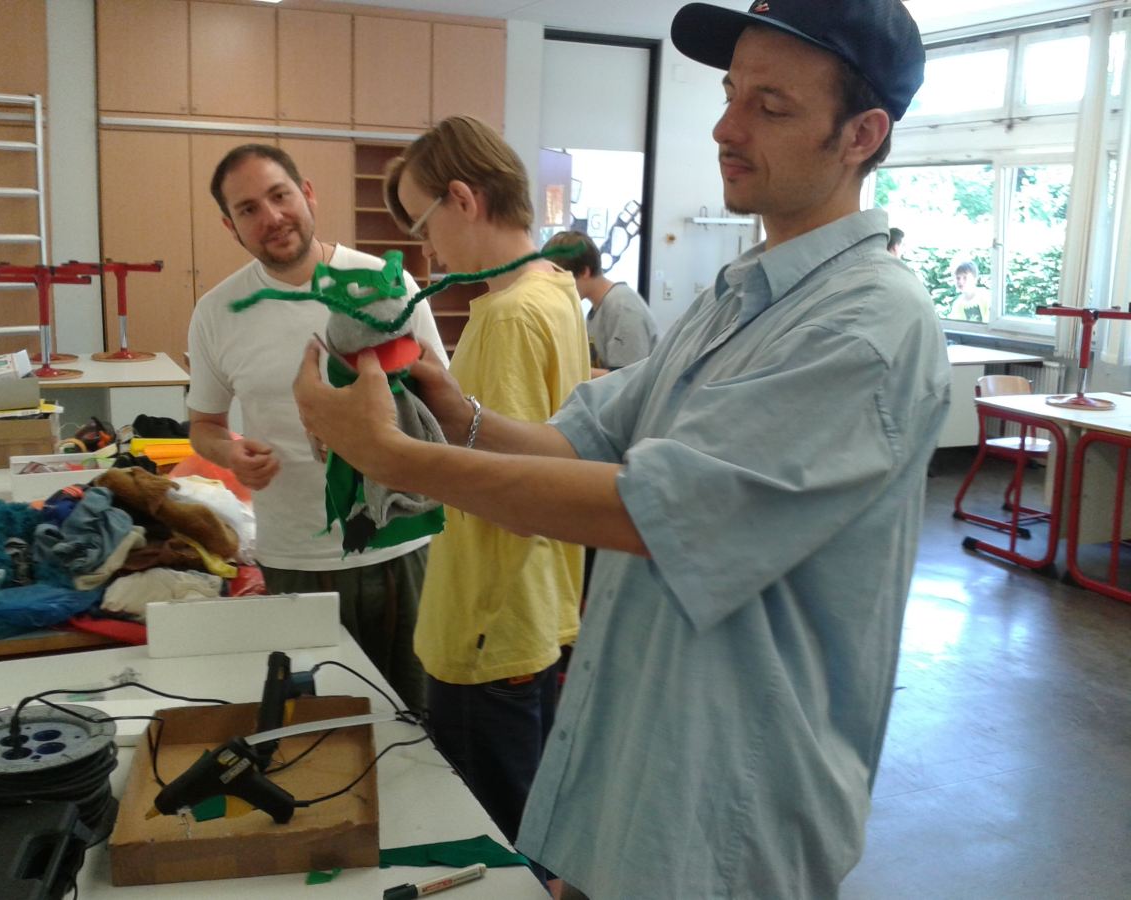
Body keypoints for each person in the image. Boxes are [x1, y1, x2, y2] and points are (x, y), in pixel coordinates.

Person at [293, 0, 950, 895]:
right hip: (648, 777)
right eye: (730, 94)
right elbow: (582, 440)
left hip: (731, 811)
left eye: (771, 106)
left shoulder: (867, 326)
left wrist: (393, 458)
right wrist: (448, 406)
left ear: (862, 136)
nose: (725, 127)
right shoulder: (737, 299)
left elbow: (649, 511)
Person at [378, 116, 590, 847]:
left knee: (494, 840)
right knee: (530, 825)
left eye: (424, 224)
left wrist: (387, 448)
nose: (426, 250)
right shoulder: (556, 288)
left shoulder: (506, 317)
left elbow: (508, 493)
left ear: (464, 199)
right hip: (536, 607)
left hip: (487, 622)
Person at [186, 144, 447, 711]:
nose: (272, 216)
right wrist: (230, 453)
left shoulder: (385, 283)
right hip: (294, 558)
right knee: (316, 725)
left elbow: (439, 399)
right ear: (231, 226)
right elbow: (203, 425)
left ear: (307, 194)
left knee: (418, 720)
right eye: (249, 209)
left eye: (280, 195)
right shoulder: (216, 312)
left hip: (401, 542)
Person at [542, 230, 658, 370]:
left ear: (584, 272)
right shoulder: (597, 310)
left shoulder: (622, 306)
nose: (558, 289)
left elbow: (629, 377)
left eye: (562, 280)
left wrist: (571, 372)